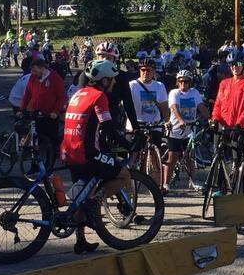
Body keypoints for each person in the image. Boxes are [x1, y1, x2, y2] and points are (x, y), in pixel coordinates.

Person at [60, 59, 134, 254]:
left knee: (80, 196)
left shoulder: (78, 93)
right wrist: (128, 144)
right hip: (86, 154)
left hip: (68, 151)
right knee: (124, 174)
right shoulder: (99, 96)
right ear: (103, 80)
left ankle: (81, 240)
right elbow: (108, 127)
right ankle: (94, 205)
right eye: (112, 79)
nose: (115, 83)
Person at [19, 53, 67, 169]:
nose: (34, 74)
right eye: (32, 72)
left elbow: (61, 97)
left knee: (50, 140)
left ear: (43, 68)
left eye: (36, 71)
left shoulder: (54, 77)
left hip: (50, 115)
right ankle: (34, 165)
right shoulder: (33, 77)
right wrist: (22, 109)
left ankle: (49, 165)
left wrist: (56, 111)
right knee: (35, 142)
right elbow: (27, 94)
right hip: (36, 113)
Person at [164, 69, 207, 190]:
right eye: (181, 82)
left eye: (186, 82)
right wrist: (180, 120)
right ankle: (166, 184)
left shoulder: (194, 93)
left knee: (189, 157)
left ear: (190, 83)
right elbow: (174, 107)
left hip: (190, 129)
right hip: (176, 129)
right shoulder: (174, 93)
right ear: (178, 82)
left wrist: (210, 118)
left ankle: (192, 181)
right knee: (172, 157)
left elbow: (201, 107)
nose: (184, 84)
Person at [129, 59, 169, 184]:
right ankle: (129, 184)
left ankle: (156, 186)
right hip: (137, 125)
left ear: (153, 72)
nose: (146, 72)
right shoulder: (132, 85)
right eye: (143, 70)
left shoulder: (159, 86)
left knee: (155, 159)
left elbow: (164, 106)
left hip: (154, 125)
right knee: (133, 156)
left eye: (149, 70)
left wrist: (167, 121)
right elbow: (126, 106)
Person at [211, 55, 244, 132]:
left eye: (238, 64)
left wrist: (239, 124)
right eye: (232, 64)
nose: (234, 67)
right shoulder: (224, 83)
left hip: (238, 128)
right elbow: (218, 104)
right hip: (222, 126)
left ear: (243, 66)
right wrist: (215, 119)